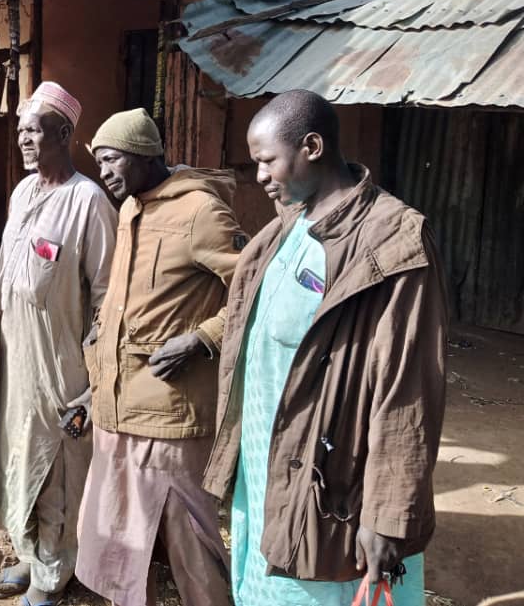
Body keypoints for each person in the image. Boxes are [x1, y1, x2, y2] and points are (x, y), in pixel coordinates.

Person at [202, 90, 448, 606]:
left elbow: (407, 391)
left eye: (268, 161)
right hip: (267, 470)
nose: (261, 176)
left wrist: (387, 515)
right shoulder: (287, 228)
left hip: (332, 484)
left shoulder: (392, 244)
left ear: (311, 146)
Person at [75, 108, 241, 606]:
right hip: (118, 407)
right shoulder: (130, 209)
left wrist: (202, 338)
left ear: (145, 156)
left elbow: (254, 291)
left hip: (168, 415)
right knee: (119, 536)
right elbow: (122, 308)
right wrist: (92, 391)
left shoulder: (201, 213)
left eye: (111, 160)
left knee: (188, 538)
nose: (103, 172)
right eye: (99, 161)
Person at [0, 82, 116, 606]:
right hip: (14, 358)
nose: (25, 140)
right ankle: (30, 554)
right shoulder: (24, 192)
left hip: (59, 367)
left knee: (55, 469)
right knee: (18, 460)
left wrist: (93, 378)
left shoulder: (90, 202)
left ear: (65, 134)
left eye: (35, 130)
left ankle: (54, 575)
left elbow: (105, 298)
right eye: (21, 131)